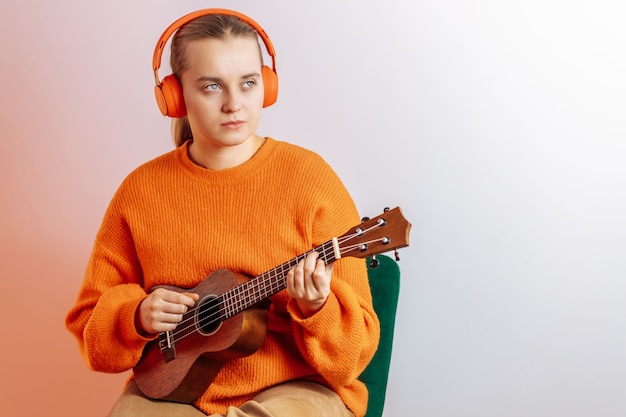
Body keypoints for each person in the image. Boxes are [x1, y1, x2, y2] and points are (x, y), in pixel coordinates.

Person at [65, 8, 380, 417]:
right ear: (175, 96)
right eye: (212, 86)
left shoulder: (311, 179)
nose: (234, 104)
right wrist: (136, 316)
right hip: (173, 390)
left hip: (295, 388)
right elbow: (91, 328)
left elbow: (355, 357)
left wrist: (318, 308)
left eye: (248, 83)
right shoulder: (140, 191)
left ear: (266, 87)